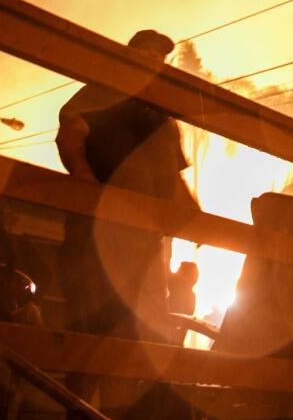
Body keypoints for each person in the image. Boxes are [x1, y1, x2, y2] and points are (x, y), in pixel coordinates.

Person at [55, 29, 198, 417]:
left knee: (140, 333)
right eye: (146, 51)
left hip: (148, 240)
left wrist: (195, 221)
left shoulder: (164, 118)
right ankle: (76, 410)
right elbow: (71, 131)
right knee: (94, 327)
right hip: (100, 233)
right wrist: (87, 186)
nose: (153, 59)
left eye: (159, 55)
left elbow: (176, 174)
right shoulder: (104, 90)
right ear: (129, 53)